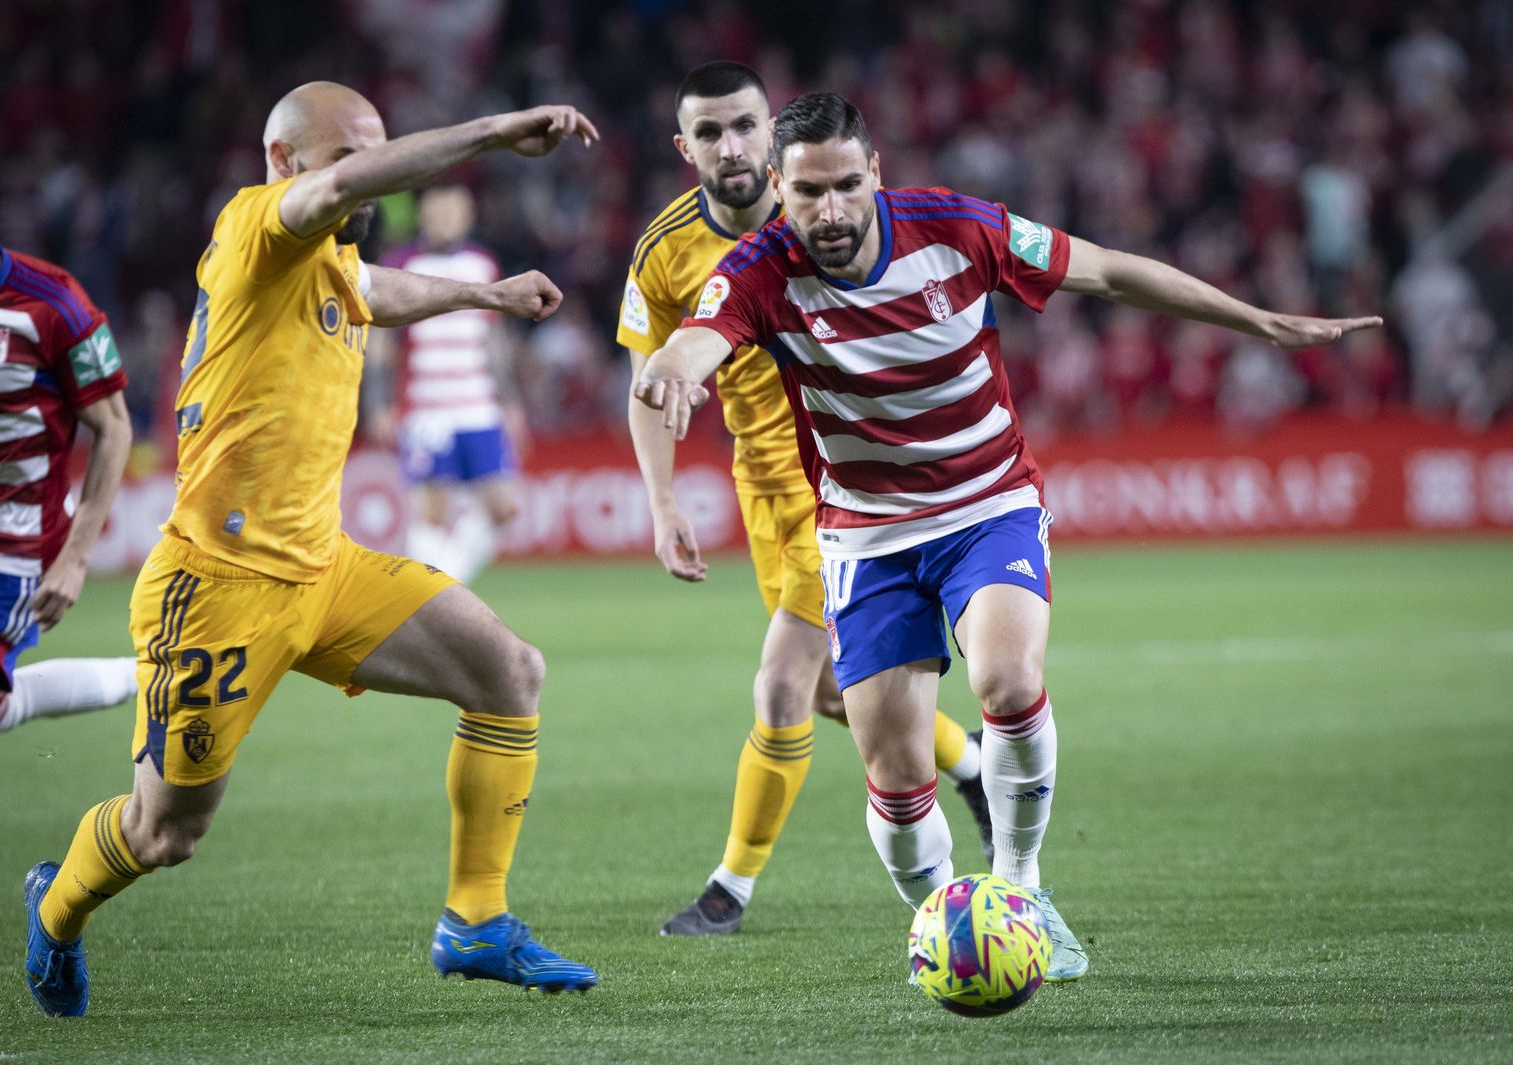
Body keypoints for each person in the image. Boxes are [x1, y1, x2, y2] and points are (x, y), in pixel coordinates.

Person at [635, 92, 1382, 981]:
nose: (828, 212)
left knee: (1006, 676)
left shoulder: (959, 227)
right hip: (866, 537)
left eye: (845, 186)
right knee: (895, 768)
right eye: (806, 195)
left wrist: (1257, 321)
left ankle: (1022, 895)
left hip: (986, 503)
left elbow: (1106, 270)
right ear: (778, 189)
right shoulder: (760, 269)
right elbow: (694, 339)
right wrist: (672, 376)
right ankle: (949, 924)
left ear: (876, 173)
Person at [22, 83, 602, 1017]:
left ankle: (476, 921)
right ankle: (55, 907)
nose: (363, 184)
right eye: (347, 161)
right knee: (165, 831)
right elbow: (344, 200)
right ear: (285, 162)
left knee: (508, 670)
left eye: (370, 157)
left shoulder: (325, 261)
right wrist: (495, 132)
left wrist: (483, 293)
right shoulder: (261, 222)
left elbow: (379, 289)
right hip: (217, 588)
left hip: (323, 569)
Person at [620, 62, 993, 938]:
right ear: (686, 149)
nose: (731, 146)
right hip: (761, 488)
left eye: (746, 125)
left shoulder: (833, 222)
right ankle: (969, 762)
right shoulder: (665, 249)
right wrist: (662, 499)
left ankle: (729, 889)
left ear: (775, 134)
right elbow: (646, 377)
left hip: (842, 484)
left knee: (783, 685)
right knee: (834, 691)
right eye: (709, 133)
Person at [0, 134, 136, 751]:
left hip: (15, 554)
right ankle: (149, 677)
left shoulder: (53, 303)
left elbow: (115, 428)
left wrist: (75, 557)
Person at [370, 185, 527, 584]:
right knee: (431, 513)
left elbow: (495, 342)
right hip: (426, 410)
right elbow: (382, 347)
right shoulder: (400, 264)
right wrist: (377, 404)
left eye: (457, 208)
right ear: (423, 214)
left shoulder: (483, 264)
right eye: (440, 209)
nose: (448, 217)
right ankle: (439, 598)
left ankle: (443, 587)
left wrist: (510, 402)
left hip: (479, 406)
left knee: (503, 509)